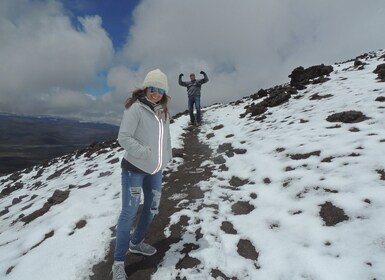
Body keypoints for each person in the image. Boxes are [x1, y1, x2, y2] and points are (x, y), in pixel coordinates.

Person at [112, 69, 172, 280]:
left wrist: (168, 156)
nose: (155, 93)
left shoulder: (163, 111)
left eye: (160, 89)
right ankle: (118, 262)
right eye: (152, 88)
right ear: (146, 88)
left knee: (152, 208)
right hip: (134, 170)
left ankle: (136, 243)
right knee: (128, 213)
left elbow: (166, 137)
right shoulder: (135, 109)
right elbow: (124, 138)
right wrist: (145, 153)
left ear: (164, 92)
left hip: (156, 170)